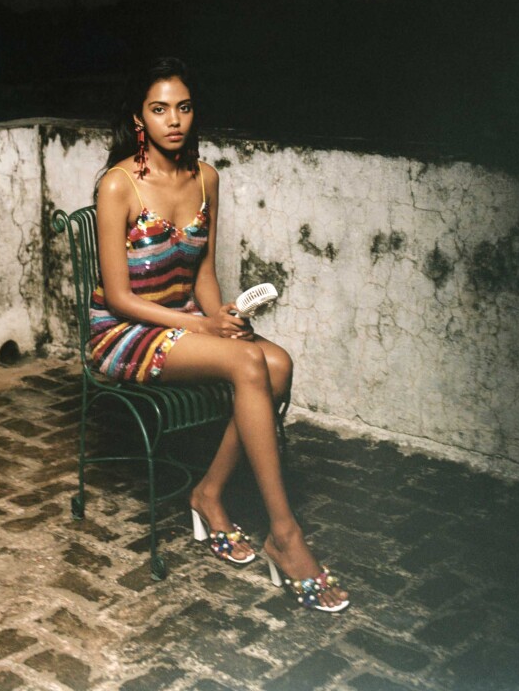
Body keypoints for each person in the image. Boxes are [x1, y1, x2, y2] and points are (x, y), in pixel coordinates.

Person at [89, 57, 349, 612]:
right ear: (138, 119)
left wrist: (223, 317)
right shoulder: (117, 185)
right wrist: (203, 326)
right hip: (127, 330)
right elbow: (117, 297)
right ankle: (286, 535)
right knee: (249, 364)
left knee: (277, 363)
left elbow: (202, 274)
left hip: (186, 318)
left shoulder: (206, 178)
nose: (173, 120)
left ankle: (208, 493)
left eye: (183, 108)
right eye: (159, 109)